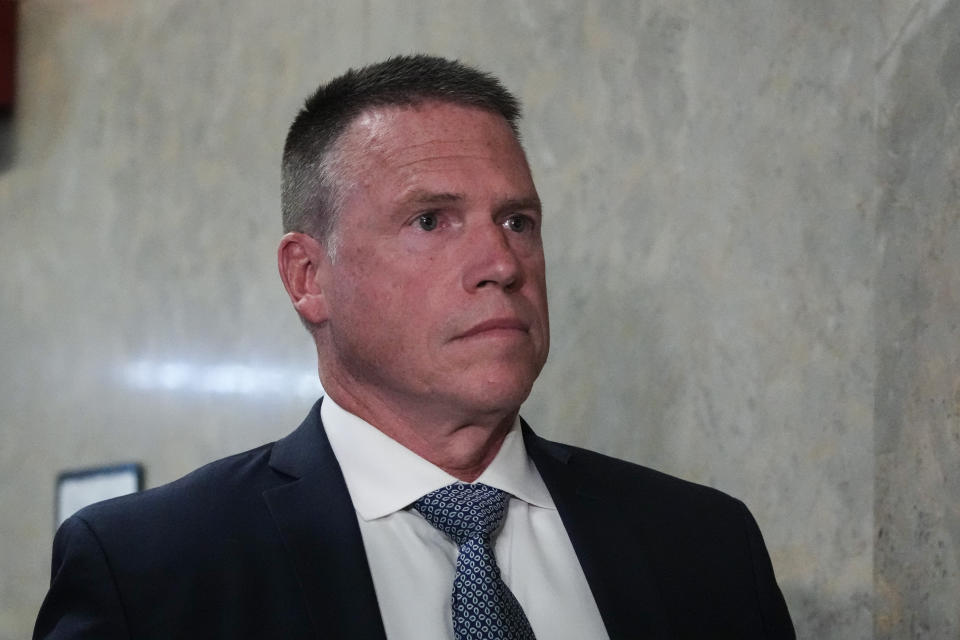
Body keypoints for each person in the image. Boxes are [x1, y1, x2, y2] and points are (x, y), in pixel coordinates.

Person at [34, 55, 795, 639]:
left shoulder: (704, 546)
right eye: (432, 220)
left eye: (517, 221)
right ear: (309, 277)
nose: (501, 264)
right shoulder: (150, 574)